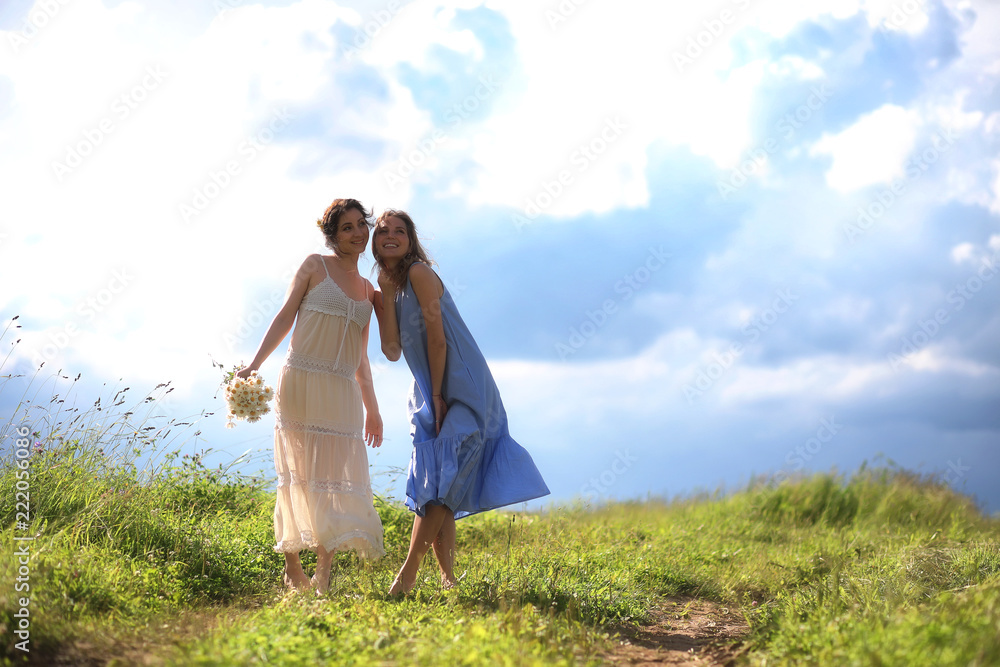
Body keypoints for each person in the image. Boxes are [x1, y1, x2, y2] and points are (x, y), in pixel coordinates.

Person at [371, 209, 550, 595]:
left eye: (399, 231)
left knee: (443, 481)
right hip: (429, 389)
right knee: (440, 482)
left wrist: (438, 396)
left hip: (462, 388)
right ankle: (449, 581)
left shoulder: (419, 273)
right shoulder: (395, 286)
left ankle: (408, 573)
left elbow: (438, 340)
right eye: (383, 231)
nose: (390, 236)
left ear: (411, 238)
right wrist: (383, 295)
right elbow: (390, 350)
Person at [237, 198, 385, 594]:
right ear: (333, 235)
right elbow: (285, 316)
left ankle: (324, 568)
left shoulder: (370, 293)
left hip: (342, 390)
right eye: (347, 227)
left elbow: (362, 360)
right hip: (302, 378)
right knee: (299, 475)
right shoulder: (314, 266)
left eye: (360, 225)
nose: (357, 233)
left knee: (332, 480)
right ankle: (292, 565)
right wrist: (254, 364)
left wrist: (374, 410)